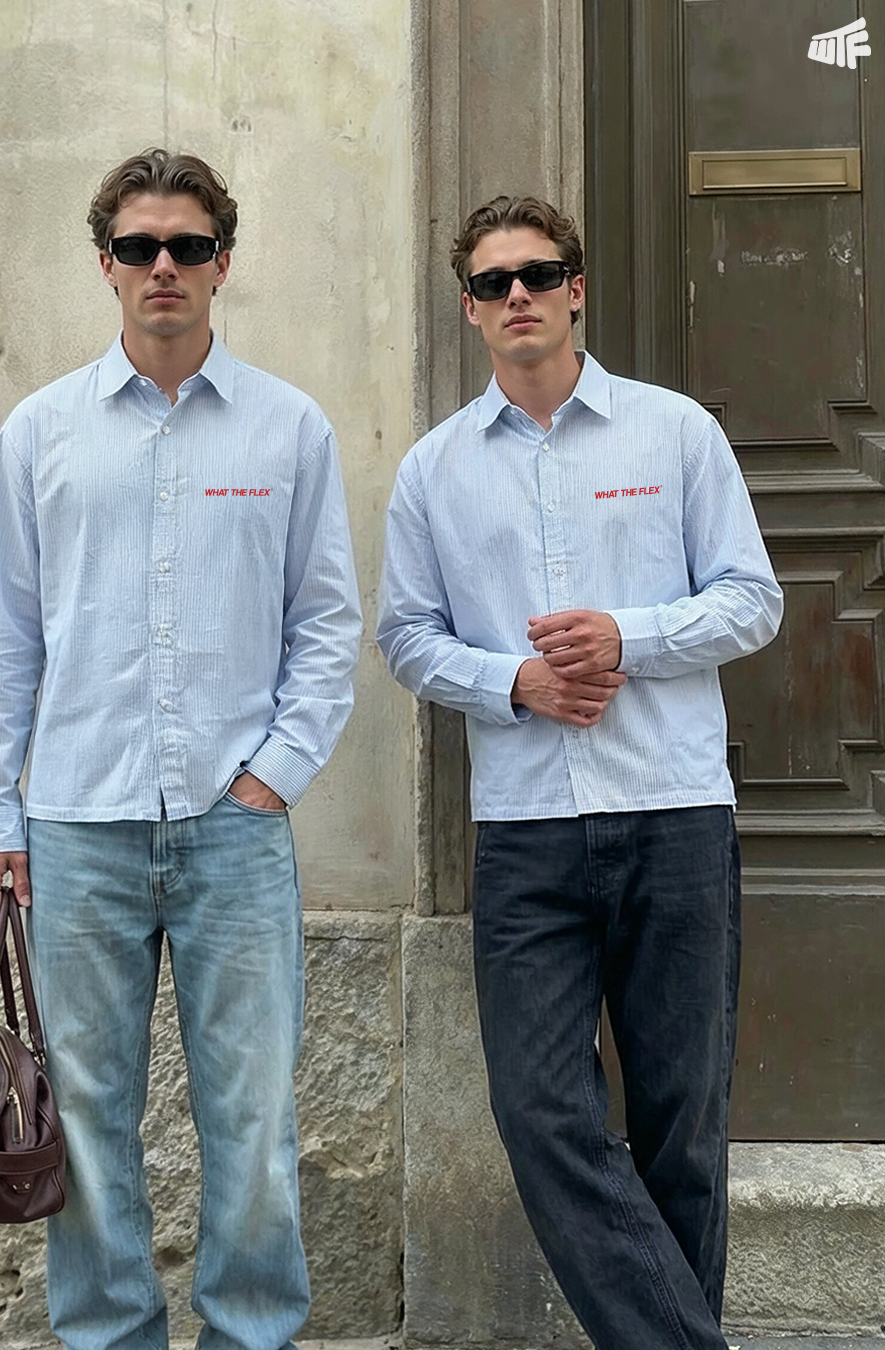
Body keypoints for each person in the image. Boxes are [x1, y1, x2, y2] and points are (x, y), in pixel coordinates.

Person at [0, 147, 362, 1350]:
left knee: (254, 1123)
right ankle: (108, 1336)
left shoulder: (288, 429)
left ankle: (251, 1334)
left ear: (224, 262)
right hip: (78, 829)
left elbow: (327, 625)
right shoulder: (42, 433)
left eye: (189, 246)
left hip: (237, 832)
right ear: (107, 265)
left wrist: (271, 777)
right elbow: (3, 636)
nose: (164, 266)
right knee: (84, 1122)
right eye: (140, 247)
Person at [376, 193, 782, 1349]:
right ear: (469, 308)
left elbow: (753, 601)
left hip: (673, 811)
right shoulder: (434, 473)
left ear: (576, 290)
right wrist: (515, 682)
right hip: (528, 833)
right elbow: (405, 637)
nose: (518, 295)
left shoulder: (674, 435)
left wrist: (625, 639)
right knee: (540, 1113)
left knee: (682, 1126)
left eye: (538, 274)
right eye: (492, 282)